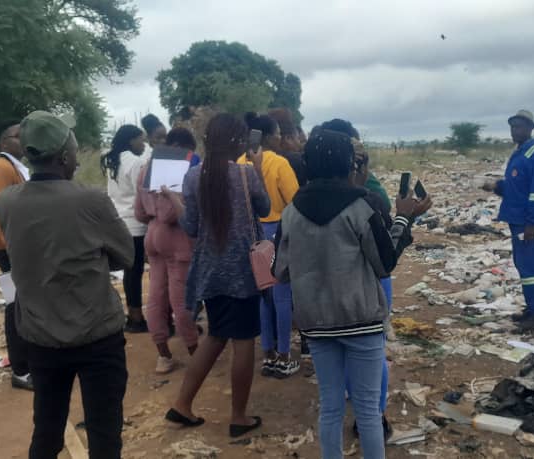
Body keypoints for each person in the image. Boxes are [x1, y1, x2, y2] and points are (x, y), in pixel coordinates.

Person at [274, 128, 431, 459]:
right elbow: (384, 262)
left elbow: (281, 271)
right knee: (368, 413)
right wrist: (405, 216)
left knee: (330, 408)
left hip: (316, 324)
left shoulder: (291, 213)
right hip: (361, 321)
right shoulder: (362, 206)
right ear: (349, 163)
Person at [0, 111, 133, 459]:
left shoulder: (6, 202)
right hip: (97, 334)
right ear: (66, 157)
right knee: (104, 435)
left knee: (47, 431)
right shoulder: (90, 200)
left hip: (41, 338)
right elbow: (126, 256)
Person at [166, 113, 268, 438]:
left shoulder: (194, 177)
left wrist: (173, 200)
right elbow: (264, 209)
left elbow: (192, 226)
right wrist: (260, 169)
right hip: (243, 271)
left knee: (215, 336)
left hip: (210, 272)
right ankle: (238, 416)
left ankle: (182, 404)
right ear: (238, 142)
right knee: (243, 342)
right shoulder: (246, 174)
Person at [318, 118, 394, 439]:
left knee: (360, 351)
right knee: (362, 351)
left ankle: (372, 413)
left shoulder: (365, 194)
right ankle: (370, 413)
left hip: (346, 291)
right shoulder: (361, 195)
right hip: (353, 290)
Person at [134, 127, 202, 374]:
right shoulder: (178, 169)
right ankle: (195, 352)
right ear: (184, 148)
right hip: (177, 237)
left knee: (155, 296)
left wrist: (154, 219)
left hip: (152, 235)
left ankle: (163, 354)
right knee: (180, 298)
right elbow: (172, 212)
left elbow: (139, 212)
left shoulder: (146, 168)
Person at [237, 112, 300, 378]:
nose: (279, 137)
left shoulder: (239, 162)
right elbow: (295, 202)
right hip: (278, 232)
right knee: (283, 296)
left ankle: (268, 354)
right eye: (276, 133)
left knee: (264, 295)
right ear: (268, 136)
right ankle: (285, 355)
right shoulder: (279, 163)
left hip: (251, 234)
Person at [481, 110, 534, 332]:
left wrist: (533, 223)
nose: (515, 131)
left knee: (531, 267)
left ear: (530, 129)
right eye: (512, 127)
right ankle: (530, 310)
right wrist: (496, 186)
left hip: (527, 223)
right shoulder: (519, 154)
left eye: (520, 127)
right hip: (517, 219)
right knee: (523, 265)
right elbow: (515, 189)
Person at [0, 119, 32, 391]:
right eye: (17, 136)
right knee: (16, 305)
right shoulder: (1, 169)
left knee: (23, 303)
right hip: (7, 245)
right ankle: (21, 370)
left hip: (13, 243)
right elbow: (4, 214)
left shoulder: (13, 167)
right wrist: (17, 244)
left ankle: (26, 363)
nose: (22, 140)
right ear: (4, 142)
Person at [101, 125, 150, 333]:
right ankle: (137, 316)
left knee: (130, 270)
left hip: (119, 221)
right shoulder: (136, 162)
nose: (143, 144)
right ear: (131, 141)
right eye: (141, 140)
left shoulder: (113, 161)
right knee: (136, 270)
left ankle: (133, 314)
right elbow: (142, 195)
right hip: (137, 222)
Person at [268, 107, 307, 185]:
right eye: (298, 139)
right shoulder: (296, 161)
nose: (299, 144)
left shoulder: (257, 160)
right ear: (288, 138)